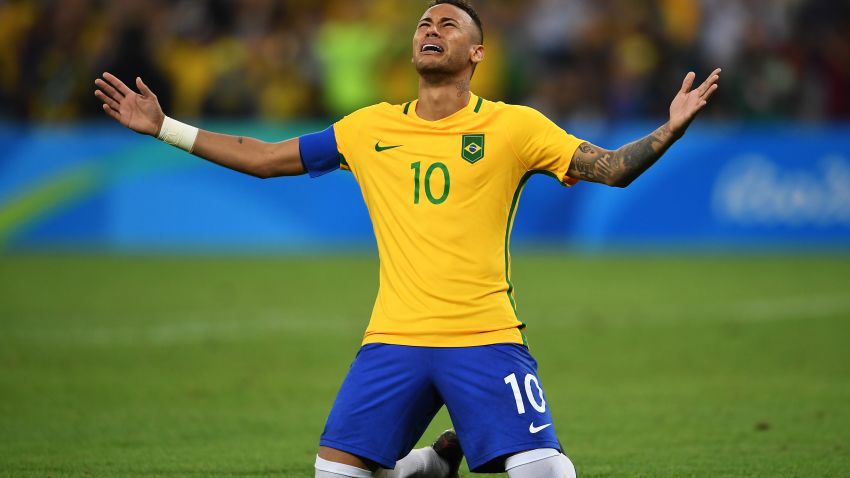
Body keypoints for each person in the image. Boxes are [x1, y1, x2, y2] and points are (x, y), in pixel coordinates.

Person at [94, 1, 721, 476]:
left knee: (547, 473)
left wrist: (667, 132)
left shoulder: (513, 127)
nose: (430, 29)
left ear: (477, 53)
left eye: (449, 25)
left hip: (483, 336)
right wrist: (164, 128)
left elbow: (610, 169)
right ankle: (431, 464)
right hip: (392, 338)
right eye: (424, 23)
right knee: (333, 473)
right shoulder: (369, 128)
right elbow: (262, 157)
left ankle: (446, 456)